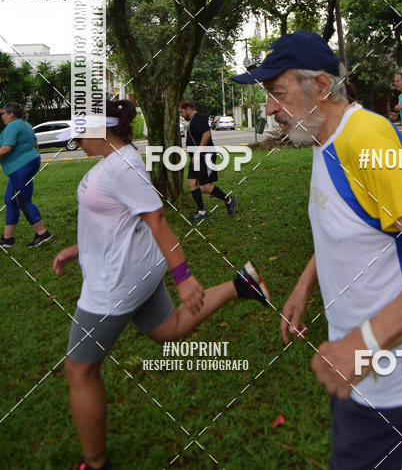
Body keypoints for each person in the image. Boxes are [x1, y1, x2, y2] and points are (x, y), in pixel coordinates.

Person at [233, 31, 402, 470]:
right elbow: (350, 225)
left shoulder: (365, 139)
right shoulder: (323, 137)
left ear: (320, 86)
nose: (269, 108)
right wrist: (304, 285)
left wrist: (363, 345)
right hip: (354, 368)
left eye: (277, 93)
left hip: (397, 378)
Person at [52, 99, 269, 470]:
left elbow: (158, 221)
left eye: (80, 132)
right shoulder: (113, 163)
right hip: (137, 271)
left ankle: (95, 462)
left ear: (103, 130)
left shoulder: (122, 166)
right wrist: (78, 248)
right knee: (168, 329)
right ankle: (241, 284)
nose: (76, 141)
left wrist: (184, 278)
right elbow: (118, 219)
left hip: (115, 284)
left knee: (80, 371)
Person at [0, 102, 52, 248]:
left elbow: (6, 148)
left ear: (10, 114)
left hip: (21, 167)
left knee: (23, 200)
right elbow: (35, 145)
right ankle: (7, 238)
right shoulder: (26, 125)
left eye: (3, 113)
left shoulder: (13, 126)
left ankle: (42, 233)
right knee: (10, 200)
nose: (2, 116)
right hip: (28, 164)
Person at [178, 99, 237, 221]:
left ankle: (229, 200)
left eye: (181, 112)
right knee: (191, 183)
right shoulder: (193, 120)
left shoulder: (199, 118)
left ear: (188, 109)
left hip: (205, 156)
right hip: (197, 158)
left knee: (205, 186)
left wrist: (197, 153)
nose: (181, 115)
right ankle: (202, 212)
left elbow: (206, 135)